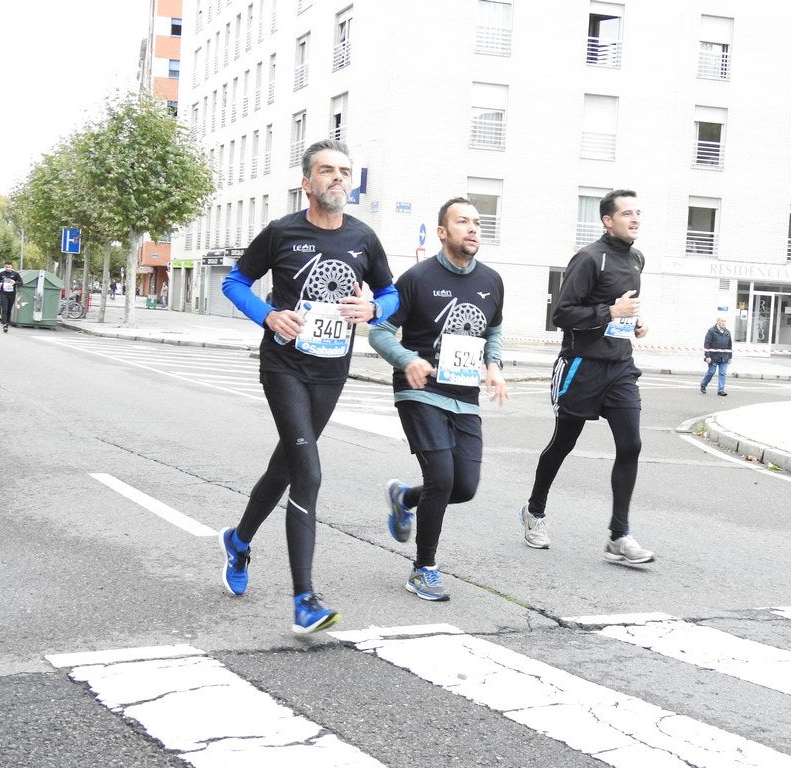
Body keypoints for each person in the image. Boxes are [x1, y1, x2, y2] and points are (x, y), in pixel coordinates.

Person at [217, 138, 399, 633]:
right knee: (309, 472)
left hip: (331, 370)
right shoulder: (281, 232)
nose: (338, 177)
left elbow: (390, 291)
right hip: (284, 367)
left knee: (286, 463)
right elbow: (233, 281)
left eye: (344, 170)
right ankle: (304, 600)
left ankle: (238, 540)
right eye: (326, 171)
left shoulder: (364, 238)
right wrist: (269, 316)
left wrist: (375, 309)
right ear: (307, 183)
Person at [369, 197, 507, 602]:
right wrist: (407, 359)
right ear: (443, 232)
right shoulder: (416, 278)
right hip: (420, 390)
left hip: (465, 396)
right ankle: (423, 568)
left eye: (477, 222)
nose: (472, 229)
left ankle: (404, 498)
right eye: (462, 222)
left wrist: (494, 365)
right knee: (442, 479)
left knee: (463, 487)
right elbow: (379, 331)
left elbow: (493, 330)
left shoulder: (492, 281)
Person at [519, 190, 654, 565]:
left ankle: (619, 535)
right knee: (563, 443)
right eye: (627, 213)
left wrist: (634, 323)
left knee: (632, 445)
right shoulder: (590, 258)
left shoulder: (637, 258)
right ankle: (535, 511)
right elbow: (562, 314)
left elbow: (621, 312)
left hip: (621, 367)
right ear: (607, 220)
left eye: (638, 213)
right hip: (582, 366)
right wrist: (611, 312)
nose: (635, 219)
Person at [700, 317, 732, 396]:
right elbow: (706, 344)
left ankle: (720, 390)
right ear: (717, 322)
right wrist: (707, 356)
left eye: (725, 321)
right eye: (722, 321)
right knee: (711, 372)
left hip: (724, 357)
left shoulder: (727, 332)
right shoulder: (711, 331)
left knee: (723, 373)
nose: (723, 323)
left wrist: (730, 357)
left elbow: (730, 345)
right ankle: (703, 384)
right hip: (713, 357)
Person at [0, 261, 23, 332]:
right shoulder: (2, 274)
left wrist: (15, 283)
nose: (8, 268)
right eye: (6, 267)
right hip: (3, 293)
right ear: (4, 267)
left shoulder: (15, 274)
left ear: (12, 267)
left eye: (9, 267)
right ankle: (4, 324)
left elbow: (21, 283)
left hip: (11, 294)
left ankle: (7, 323)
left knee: (8, 310)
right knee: (4, 309)